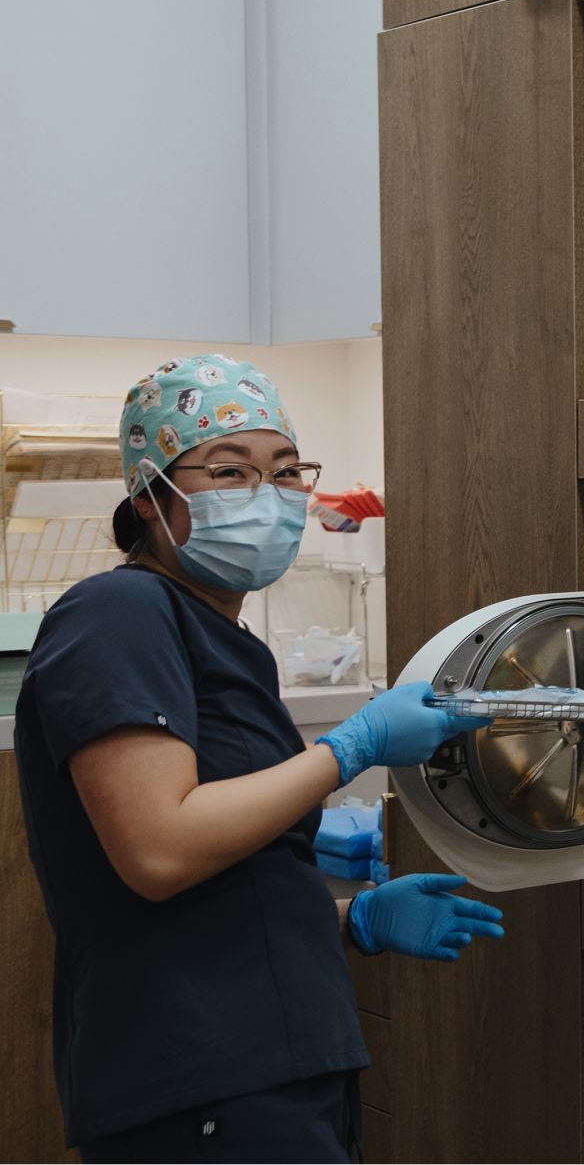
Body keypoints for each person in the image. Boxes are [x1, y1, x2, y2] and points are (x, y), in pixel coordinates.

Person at [15, 354, 504, 1162]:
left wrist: (350, 920)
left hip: (268, 1066)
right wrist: (352, 746)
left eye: (286, 473)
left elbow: (229, 877)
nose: (269, 495)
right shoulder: (118, 611)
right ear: (148, 496)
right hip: (197, 1078)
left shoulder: (222, 638)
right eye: (230, 470)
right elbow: (160, 849)